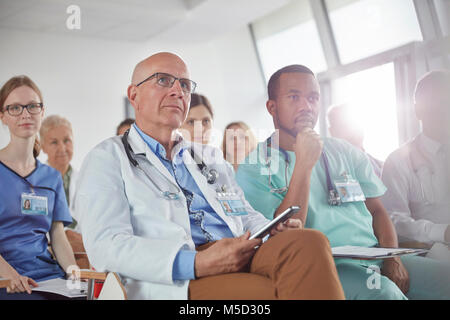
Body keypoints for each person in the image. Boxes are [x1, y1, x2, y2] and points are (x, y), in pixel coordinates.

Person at [74, 52, 345, 300]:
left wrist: (271, 227)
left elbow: (243, 214)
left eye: (184, 84)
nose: (177, 91)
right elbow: (106, 246)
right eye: (164, 80)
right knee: (262, 292)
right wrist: (195, 262)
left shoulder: (209, 157)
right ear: (134, 95)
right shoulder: (107, 158)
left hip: (239, 250)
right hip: (176, 272)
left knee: (309, 242)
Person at [236, 64, 450, 300]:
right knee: (383, 294)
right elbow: (286, 239)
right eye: (294, 97)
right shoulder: (253, 168)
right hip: (327, 266)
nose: (306, 106)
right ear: (272, 107)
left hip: (378, 256)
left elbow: (378, 211)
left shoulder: (345, 151)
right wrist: (304, 164)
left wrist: (392, 258)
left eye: (313, 98)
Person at [0, 75, 77, 300]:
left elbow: (58, 235)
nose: (25, 114)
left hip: (49, 277)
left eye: (32, 106)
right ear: (3, 116)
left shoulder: (51, 177)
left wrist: (74, 273)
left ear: (42, 111)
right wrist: (10, 275)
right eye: (15, 108)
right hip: (7, 278)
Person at [381, 70, 450, 261]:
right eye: (436, 104)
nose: (444, 110)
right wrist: (442, 232)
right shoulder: (398, 161)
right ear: (417, 110)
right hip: (432, 249)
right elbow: (393, 220)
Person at [40, 114, 88, 269]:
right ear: (42, 146)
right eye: (54, 142)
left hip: (84, 251)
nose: (62, 148)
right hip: (48, 252)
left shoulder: (85, 179)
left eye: (67, 140)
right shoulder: (34, 183)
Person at [327, 103, 383, 177]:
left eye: (354, 123)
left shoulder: (383, 166)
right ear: (332, 131)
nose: (353, 128)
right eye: (345, 125)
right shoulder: (328, 170)